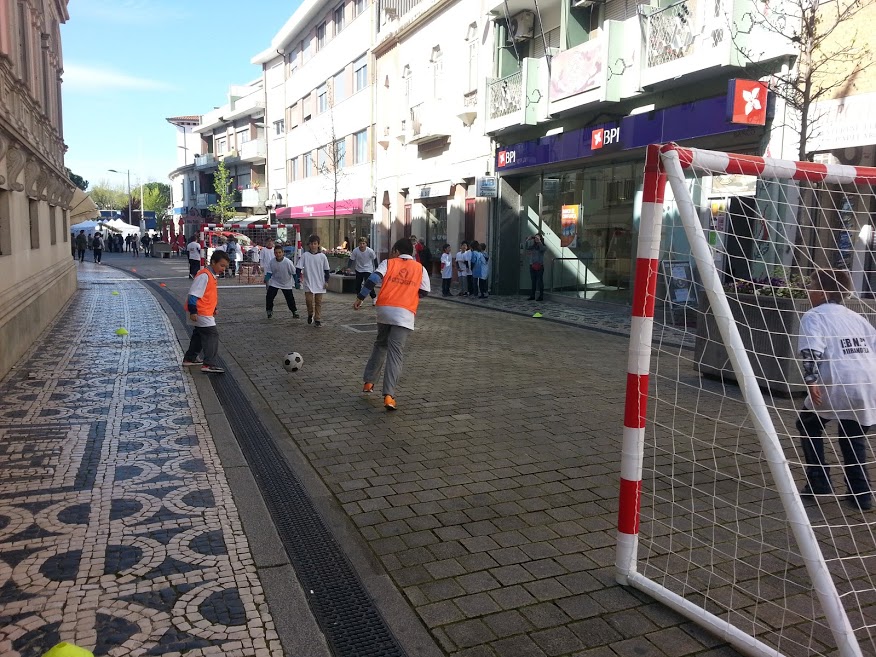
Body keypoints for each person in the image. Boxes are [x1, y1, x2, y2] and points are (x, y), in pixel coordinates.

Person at [797, 268, 876, 511]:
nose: (808, 291)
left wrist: (811, 381)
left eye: (811, 286)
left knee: (807, 424)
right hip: (867, 383)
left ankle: (819, 481)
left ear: (822, 291)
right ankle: (861, 494)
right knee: (852, 435)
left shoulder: (814, 316)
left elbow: (811, 350)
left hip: (837, 381)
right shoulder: (856, 317)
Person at [353, 238, 429, 411]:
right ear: (411, 252)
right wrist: (408, 293)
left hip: (385, 310)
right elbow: (424, 291)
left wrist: (360, 297)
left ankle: (369, 382)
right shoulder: (420, 268)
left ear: (395, 250)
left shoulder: (388, 263)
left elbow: (373, 279)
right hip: (404, 313)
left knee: (380, 345)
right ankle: (389, 396)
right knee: (395, 353)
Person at [182, 250, 231, 374]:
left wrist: (213, 308)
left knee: (199, 334)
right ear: (213, 262)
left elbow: (207, 294)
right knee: (212, 335)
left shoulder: (211, 275)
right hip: (200, 312)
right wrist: (193, 311)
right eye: (222, 265)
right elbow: (193, 294)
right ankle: (209, 363)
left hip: (203, 311)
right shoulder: (205, 275)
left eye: (225, 266)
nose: (223, 269)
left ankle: (190, 358)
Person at [298, 234, 330, 327]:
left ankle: (317, 319)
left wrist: (326, 281)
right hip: (308, 282)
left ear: (318, 244)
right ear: (309, 245)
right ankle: (310, 313)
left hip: (320, 282)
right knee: (308, 300)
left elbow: (327, 270)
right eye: (311, 244)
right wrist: (298, 278)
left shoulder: (322, 256)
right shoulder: (305, 255)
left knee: (318, 302)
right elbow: (298, 267)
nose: (313, 245)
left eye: (315, 243)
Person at [265, 245, 300, 319]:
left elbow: (293, 273)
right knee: (269, 297)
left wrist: (297, 282)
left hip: (286, 283)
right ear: (274, 253)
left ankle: (294, 311)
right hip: (275, 282)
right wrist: (266, 279)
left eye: (279, 252)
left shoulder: (288, 262)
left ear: (283, 253)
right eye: (276, 253)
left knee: (290, 298)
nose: (278, 254)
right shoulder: (272, 262)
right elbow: (269, 272)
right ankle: (269, 310)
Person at [348, 238, 378, 305]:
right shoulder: (355, 251)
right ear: (358, 244)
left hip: (368, 269)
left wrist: (376, 268)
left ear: (366, 244)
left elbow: (375, 259)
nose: (362, 245)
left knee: (368, 284)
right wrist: (348, 267)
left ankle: (374, 297)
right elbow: (351, 259)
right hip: (359, 269)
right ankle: (359, 299)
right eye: (360, 243)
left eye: (363, 243)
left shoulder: (370, 251)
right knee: (358, 285)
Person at [525, 233, 546, 301]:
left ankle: (541, 296)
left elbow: (542, 249)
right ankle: (532, 295)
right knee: (533, 281)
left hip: (540, 265)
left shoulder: (543, 246)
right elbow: (527, 248)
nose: (536, 239)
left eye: (538, 238)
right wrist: (528, 240)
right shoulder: (533, 246)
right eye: (535, 238)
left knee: (540, 281)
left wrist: (539, 242)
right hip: (532, 265)